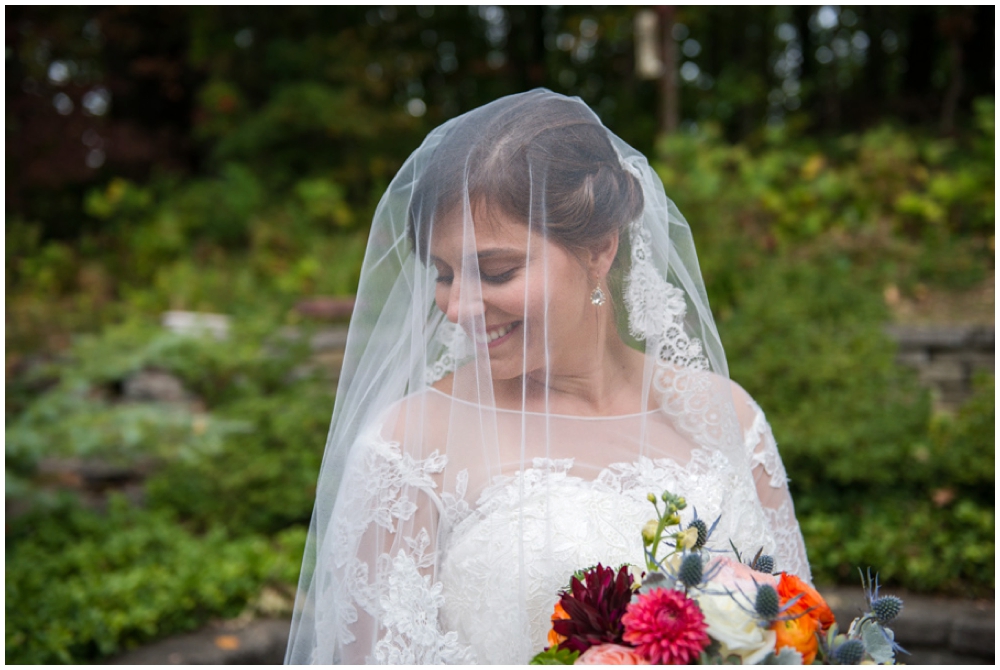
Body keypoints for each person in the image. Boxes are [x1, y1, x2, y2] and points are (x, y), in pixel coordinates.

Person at [285, 89, 810, 664]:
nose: (458, 306)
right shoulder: (408, 447)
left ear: (600, 249)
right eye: (442, 273)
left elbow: (798, 630)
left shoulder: (727, 415)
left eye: (497, 270)